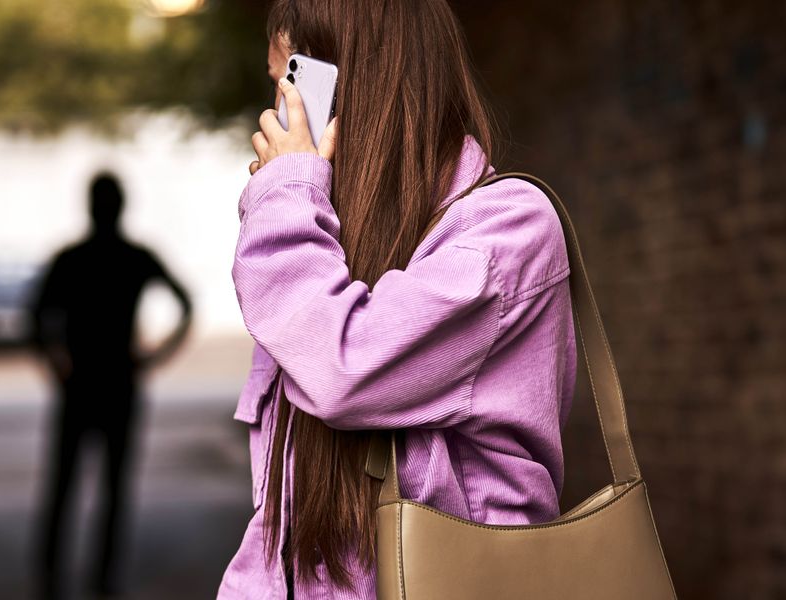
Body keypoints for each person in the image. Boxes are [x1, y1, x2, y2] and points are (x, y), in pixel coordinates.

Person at [219, 1, 577, 598]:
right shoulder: (324, 250)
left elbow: (343, 368)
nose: (277, 112)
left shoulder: (508, 230)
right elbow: (278, 529)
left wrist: (287, 195)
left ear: (352, 82)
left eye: (291, 81)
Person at [29, 171, 193, 600]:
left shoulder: (71, 259)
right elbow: (185, 303)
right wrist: (155, 357)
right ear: (122, 206)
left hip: (79, 386)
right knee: (114, 490)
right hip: (120, 383)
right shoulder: (134, 257)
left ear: (90, 205)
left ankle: (51, 579)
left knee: (63, 486)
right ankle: (102, 580)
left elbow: (36, 317)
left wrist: (56, 364)